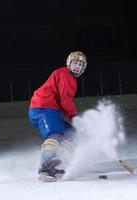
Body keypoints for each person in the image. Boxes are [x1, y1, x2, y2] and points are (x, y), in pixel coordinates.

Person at [28, 51, 87, 180]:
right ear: (69, 64)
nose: (77, 66)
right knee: (55, 134)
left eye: (80, 64)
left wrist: (72, 119)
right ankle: (45, 164)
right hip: (42, 108)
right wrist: (74, 116)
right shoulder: (64, 74)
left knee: (71, 134)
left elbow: (62, 102)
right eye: (75, 63)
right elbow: (65, 100)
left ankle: (60, 160)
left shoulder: (71, 80)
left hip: (52, 110)